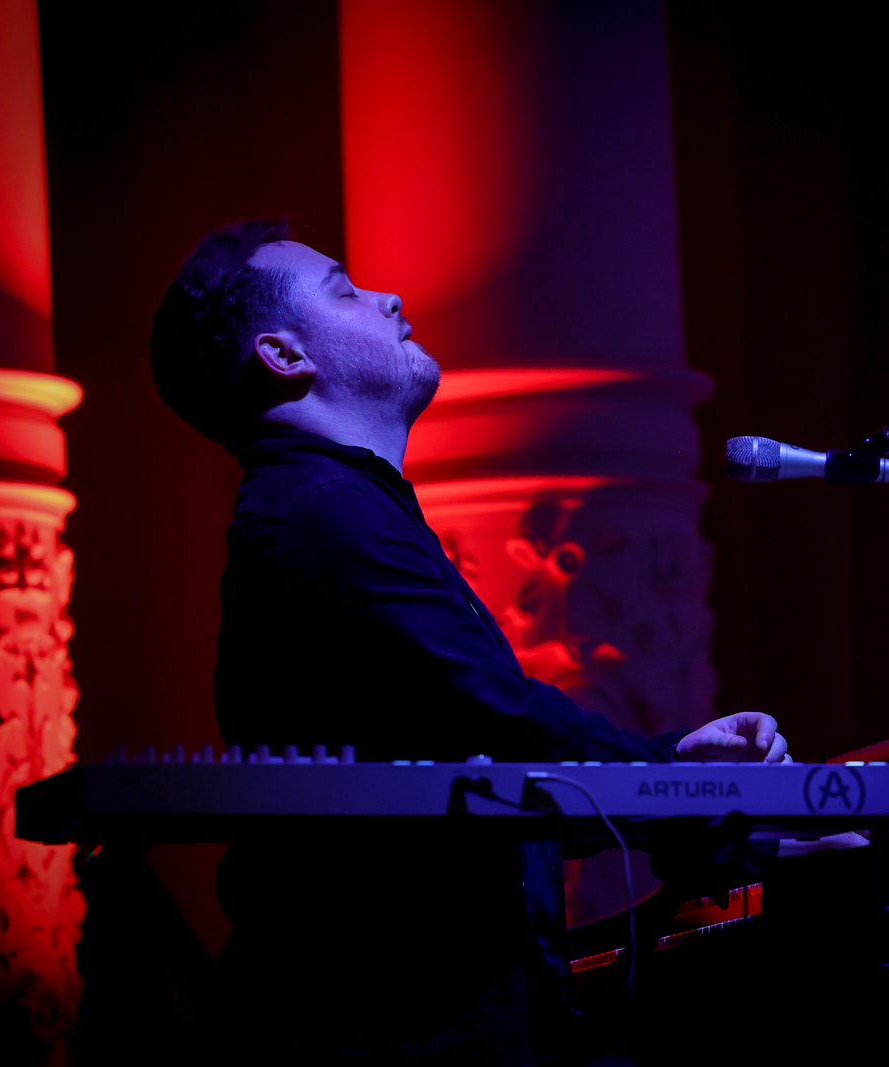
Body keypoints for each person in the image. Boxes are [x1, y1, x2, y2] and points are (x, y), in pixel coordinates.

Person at [149, 219, 806, 1062]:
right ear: (283, 355)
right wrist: (684, 781)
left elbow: (477, 766)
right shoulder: (322, 514)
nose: (389, 297)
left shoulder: (337, 508)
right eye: (345, 289)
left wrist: (679, 774)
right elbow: (494, 723)